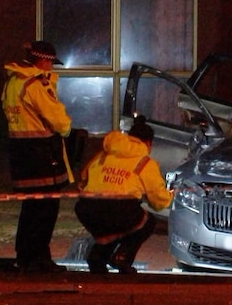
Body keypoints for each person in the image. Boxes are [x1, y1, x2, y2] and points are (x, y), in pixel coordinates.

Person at [1, 41, 73, 273]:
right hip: (41, 155)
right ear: (43, 61)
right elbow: (58, 119)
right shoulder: (35, 85)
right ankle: (38, 259)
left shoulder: (13, 82)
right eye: (51, 63)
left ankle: (27, 256)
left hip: (20, 154)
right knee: (46, 210)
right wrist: (67, 130)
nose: (52, 68)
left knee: (31, 209)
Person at [74, 115, 173, 274]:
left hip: (86, 208)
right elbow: (159, 201)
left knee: (113, 224)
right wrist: (170, 196)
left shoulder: (105, 154)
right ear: (149, 143)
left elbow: (84, 178)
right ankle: (122, 256)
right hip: (119, 210)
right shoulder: (145, 162)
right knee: (144, 222)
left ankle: (98, 256)